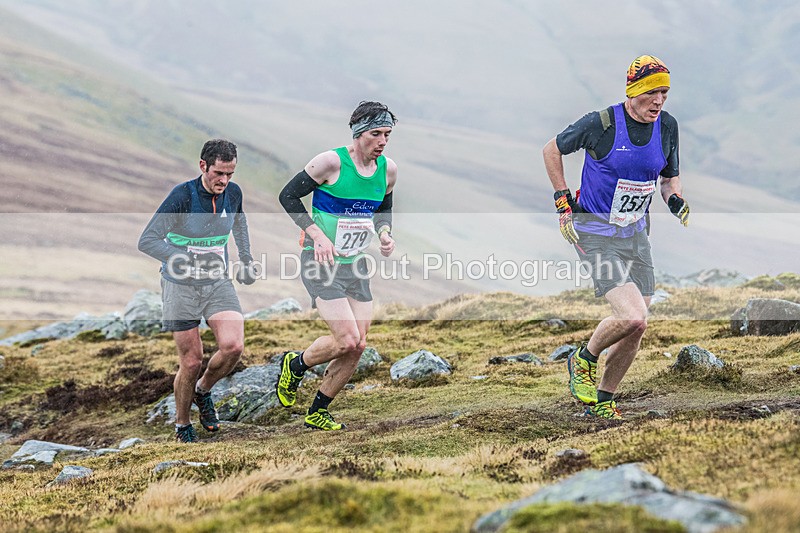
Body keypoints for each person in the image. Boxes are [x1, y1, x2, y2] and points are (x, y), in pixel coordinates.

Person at [542, 55, 690, 419]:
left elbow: (669, 177)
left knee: (636, 328)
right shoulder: (602, 124)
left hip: (636, 235)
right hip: (594, 234)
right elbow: (552, 149)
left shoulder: (667, 126)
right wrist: (562, 200)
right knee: (633, 317)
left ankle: (604, 402)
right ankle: (583, 358)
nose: (659, 101)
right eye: (652, 92)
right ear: (634, 91)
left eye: (665, 93)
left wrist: (675, 199)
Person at [276, 101, 397, 431]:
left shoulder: (388, 170)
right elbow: (288, 197)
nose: (383, 141)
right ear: (358, 133)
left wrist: (385, 234)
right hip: (321, 261)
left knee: (358, 344)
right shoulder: (330, 163)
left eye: (387, 134)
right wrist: (316, 235)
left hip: (355, 264)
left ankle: (318, 411)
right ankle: (295, 365)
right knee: (346, 339)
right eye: (376, 134)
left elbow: (383, 209)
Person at [138, 139, 258, 442]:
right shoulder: (182, 195)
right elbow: (147, 240)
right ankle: (182, 424)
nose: (224, 181)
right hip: (180, 285)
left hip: (217, 282)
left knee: (233, 346)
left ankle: (203, 391)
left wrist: (246, 260)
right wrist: (183, 258)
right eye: (219, 173)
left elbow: (239, 223)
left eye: (230, 174)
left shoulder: (233, 193)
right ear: (203, 166)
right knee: (191, 361)